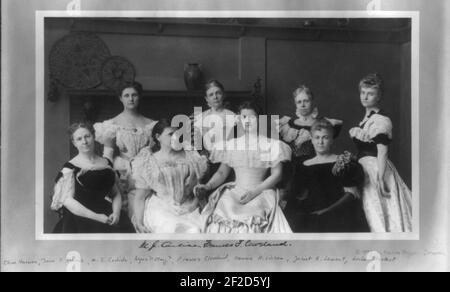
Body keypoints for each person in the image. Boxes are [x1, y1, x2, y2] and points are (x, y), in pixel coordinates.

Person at [196, 102, 293, 233]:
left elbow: (277, 175)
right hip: (236, 191)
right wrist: (207, 186)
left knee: (253, 218)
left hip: (261, 191)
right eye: (244, 117)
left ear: (259, 119)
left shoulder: (272, 145)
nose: (247, 121)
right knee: (223, 212)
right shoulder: (232, 145)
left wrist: (254, 193)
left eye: (252, 117)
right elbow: (222, 173)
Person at [349, 73, 412, 232]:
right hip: (365, 168)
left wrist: (381, 177)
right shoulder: (368, 118)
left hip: (377, 168)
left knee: (379, 213)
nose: (365, 97)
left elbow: (382, 152)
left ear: (379, 96)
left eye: (370, 94)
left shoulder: (381, 120)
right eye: (363, 93)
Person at [285, 119, 369, 233]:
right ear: (312, 140)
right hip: (310, 214)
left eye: (325, 137)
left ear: (332, 139)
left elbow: (352, 194)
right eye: (317, 137)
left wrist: (324, 212)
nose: (321, 142)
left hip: (339, 213)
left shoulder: (343, 162)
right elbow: (295, 196)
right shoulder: (302, 166)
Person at [50, 123, 134, 233]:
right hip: (80, 217)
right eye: (79, 139)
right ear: (74, 143)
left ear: (93, 137)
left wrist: (116, 213)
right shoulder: (70, 168)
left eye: (87, 136)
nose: (84, 142)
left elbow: (115, 194)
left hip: (106, 212)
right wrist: (98, 217)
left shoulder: (106, 163)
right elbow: (68, 201)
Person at [131, 120, 209, 233]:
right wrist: (139, 222)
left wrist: (194, 204)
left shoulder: (191, 156)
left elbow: (199, 189)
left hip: (189, 206)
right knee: (173, 228)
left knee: (198, 230)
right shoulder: (149, 161)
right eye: (170, 134)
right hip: (161, 207)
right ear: (158, 137)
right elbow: (140, 197)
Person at [94, 81, 157, 221]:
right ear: (120, 98)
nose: (131, 99)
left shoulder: (151, 124)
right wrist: (106, 173)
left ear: (139, 97)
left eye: (134, 95)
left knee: (147, 210)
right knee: (123, 208)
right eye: (126, 95)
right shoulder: (112, 124)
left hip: (145, 169)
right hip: (122, 170)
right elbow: (108, 154)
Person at [278, 85, 343, 161]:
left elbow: (337, 125)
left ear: (312, 101)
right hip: (290, 169)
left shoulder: (322, 123)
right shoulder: (286, 125)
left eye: (306, 101)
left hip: (313, 167)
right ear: (295, 104)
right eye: (299, 102)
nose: (303, 105)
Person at [193, 80, 236, 154]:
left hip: (228, 156)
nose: (215, 97)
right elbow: (198, 146)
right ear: (206, 99)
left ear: (223, 95)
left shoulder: (232, 116)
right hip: (207, 157)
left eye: (218, 93)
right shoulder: (201, 118)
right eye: (211, 95)